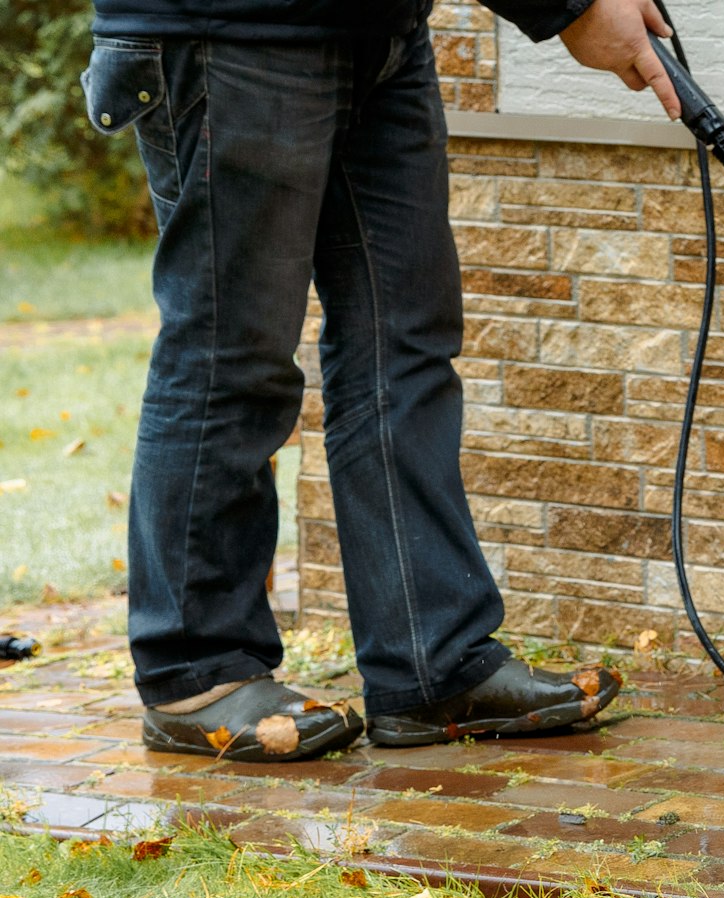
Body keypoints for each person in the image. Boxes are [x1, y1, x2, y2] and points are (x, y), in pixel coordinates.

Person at [81, 0, 684, 761]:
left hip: (378, 32)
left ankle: (432, 663)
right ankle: (194, 674)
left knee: (404, 347)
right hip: (230, 29)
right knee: (231, 353)